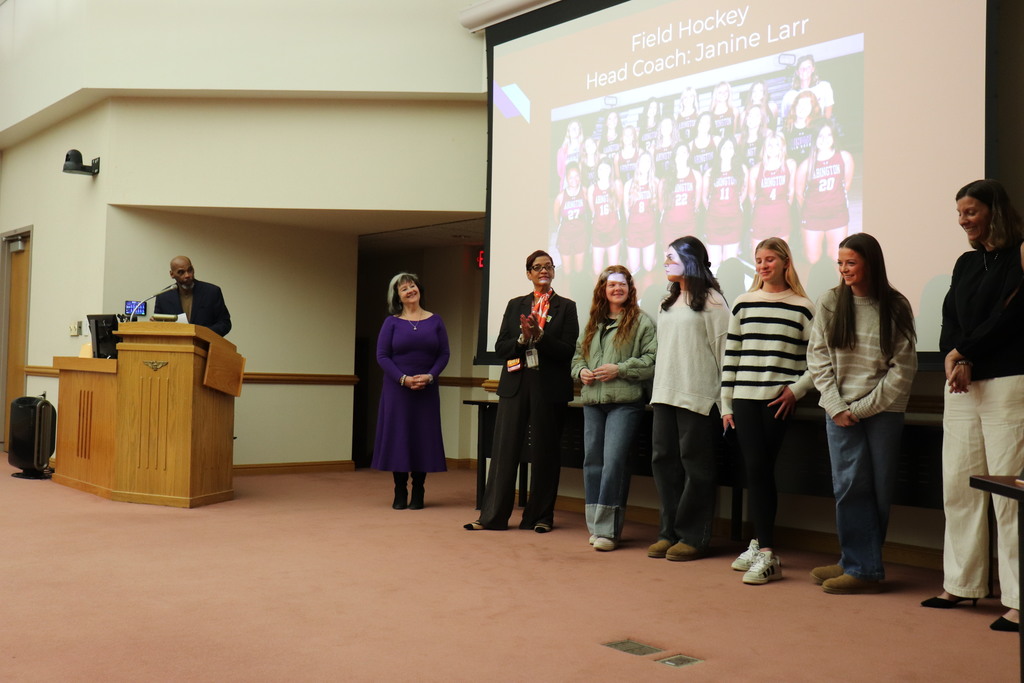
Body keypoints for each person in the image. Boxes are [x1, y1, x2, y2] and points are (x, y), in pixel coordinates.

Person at [923, 179, 1024, 632]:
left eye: (971, 212)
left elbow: (1011, 317)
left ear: (993, 211)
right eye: (959, 213)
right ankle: (961, 585)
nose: (964, 220)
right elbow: (950, 317)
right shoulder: (965, 263)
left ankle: (1019, 600)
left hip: (1007, 381)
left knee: (1009, 496)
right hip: (962, 383)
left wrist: (966, 353)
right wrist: (953, 356)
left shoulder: (1019, 253)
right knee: (958, 486)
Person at [806, 233, 917, 594]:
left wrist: (863, 408)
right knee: (849, 487)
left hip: (882, 411)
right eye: (840, 263)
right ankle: (856, 563)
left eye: (850, 263)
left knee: (878, 489)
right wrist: (838, 407)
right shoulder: (830, 302)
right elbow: (818, 357)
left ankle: (859, 563)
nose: (844, 270)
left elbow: (903, 367)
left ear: (870, 262)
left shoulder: (895, 305)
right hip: (838, 410)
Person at [721, 238, 815, 585]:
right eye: (758, 260)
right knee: (754, 470)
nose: (763, 265)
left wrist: (796, 391)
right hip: (744, 399)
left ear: (785, 263)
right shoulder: (743, 304)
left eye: (770, 259)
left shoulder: (804, 307)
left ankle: (767, 553)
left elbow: (817, 361)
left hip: (777, 401)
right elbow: (731, 356)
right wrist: (726, 404)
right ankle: (760, 544)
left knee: (761, 469)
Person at [465, 251, 579, 532]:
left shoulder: (566, 307)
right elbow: (502, 347)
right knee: (504, 450)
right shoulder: (516, 305)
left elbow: (567, 351)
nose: (543, 271)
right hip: (516, 382)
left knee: (545, 452)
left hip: (548, 385)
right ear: (528, 274)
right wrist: (521, 338)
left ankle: (539, 517)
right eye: (537, 267)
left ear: (553, 272)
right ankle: (492, 517)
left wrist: (540, 337)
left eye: (548, 266)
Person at [648, 236, 729, 562]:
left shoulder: (713, 301)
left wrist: (726, 405)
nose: (665, 262)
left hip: (698, 397)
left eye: (671, 257)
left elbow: (726, 356)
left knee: (696, 468)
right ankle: (669, 532)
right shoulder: (666, 302)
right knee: (664, 465)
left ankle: (693, 537)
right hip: (665, 394)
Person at [571, 266, 657, 551]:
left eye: (622, 284)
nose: (616, 289)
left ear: (630, 289)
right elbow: (576, 359)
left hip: (625, 403)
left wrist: (619, 369)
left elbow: (651, 361)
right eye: (611, 285)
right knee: (592, 463)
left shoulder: (642, 322)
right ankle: (595, 527)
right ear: (603, 290)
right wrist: (581, 371)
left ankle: (608, 531)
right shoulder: (593, 323)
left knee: (614, 463)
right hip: (593, 402)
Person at [372, 273, 450, 509]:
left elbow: (444, 354)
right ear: (397, 296)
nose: (410, 290)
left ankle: (418, 489)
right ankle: (399, 490)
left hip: (426, 389)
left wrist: (430, 376)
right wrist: (403, 379)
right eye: (404, 288)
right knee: (400, 437)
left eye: (412, 285)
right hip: (397, 390)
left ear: (419, 289)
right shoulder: (391, 323)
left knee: (421, 437)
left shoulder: (436, 321)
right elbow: (382, 356)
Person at [796, 120, 855, 264]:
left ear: (834, 137)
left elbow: (846, 184)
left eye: (828, 135)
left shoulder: (844, 157)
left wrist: (832, 202)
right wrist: (814, 207)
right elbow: (799, 193)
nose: (824, 139)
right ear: (814, 138)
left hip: (837, 214)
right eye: (820, 136)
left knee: (837, 258)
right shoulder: (806, 164)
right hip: (813, 217)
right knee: (813, 259)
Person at [153, 255, 232, 337]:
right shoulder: (163, 297)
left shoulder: (211, 292)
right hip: (176, 346)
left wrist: (203, 334)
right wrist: (155, 326)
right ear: (172, 274)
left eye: (190, 270)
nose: (187, 275)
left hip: (206, 345)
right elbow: (159, 325)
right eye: (181, 272)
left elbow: (225, 323)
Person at [748, 131, 796, 252]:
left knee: (780, 259)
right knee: (759, 258)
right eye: (770, 145)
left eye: (776, 145)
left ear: (782, 147)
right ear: (764, 147)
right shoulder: (755, 170)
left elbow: (791, 192)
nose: (773, 148)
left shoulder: (790, 165)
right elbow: (752, 196)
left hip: (782, 218)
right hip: (761, 219)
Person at [552, 161, 589, 275]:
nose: (574, 179)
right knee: (567, 272)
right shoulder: (560, 197)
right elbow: (556, 218)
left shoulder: (584, 191)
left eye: (576, 176)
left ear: (580, 176)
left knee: (579, 271)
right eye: (571, 177)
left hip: (580, 236)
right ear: (566, 178)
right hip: (566, 237)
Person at [781, 55, 835, 120]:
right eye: (802, 68)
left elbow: (828, 113)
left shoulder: (824, 87)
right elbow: (786, 119)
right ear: (797, 72)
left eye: (808, 67)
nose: (805, 70)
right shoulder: (789, 96)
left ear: (813, 69)